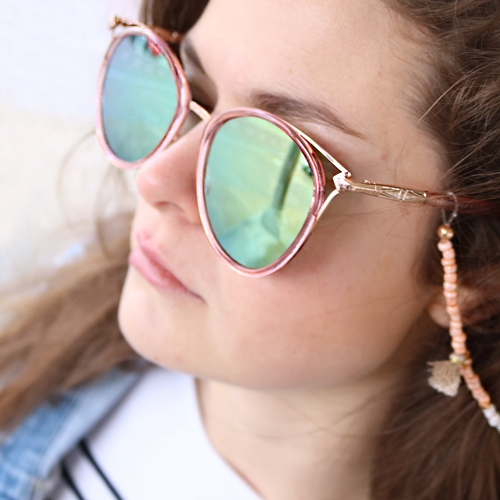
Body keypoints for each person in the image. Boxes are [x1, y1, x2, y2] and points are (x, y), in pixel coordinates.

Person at [1, 0, 499, 498]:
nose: (153, 179)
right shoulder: (39, 320)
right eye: (194, 92)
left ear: (477, 272)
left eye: (270, 159)